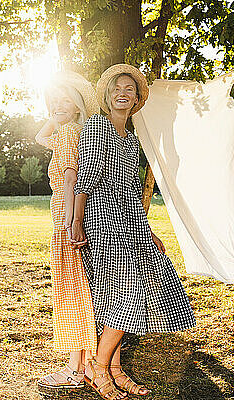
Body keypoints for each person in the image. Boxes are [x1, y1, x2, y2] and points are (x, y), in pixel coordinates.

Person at [71, 64, 196, 399]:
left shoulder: (131, 139)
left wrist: (148, 230)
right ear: (108, 96)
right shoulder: (97, 125)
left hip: (130, 222)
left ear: (137, 98)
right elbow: (86, 177)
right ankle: (99, 367)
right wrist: (77, 220)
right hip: (102, 218)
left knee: (130, 295)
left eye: (129, 89)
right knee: (122, 296)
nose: (122, 93)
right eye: (116, 89)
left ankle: (114, 369)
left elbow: (130, 189)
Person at [34, 71, 100, 392]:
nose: (58, 105)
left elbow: (73, 177)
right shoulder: (72, 131)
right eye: (53, 100)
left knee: (71, 292)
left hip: (66, 217)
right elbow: (39, 138)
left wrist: (70, 221)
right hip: (69, 216)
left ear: (77, 106)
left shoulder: (68, 133)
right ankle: (84, 363)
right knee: (79, 291)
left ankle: (74, 370)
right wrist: (56, 114)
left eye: (65, 100)